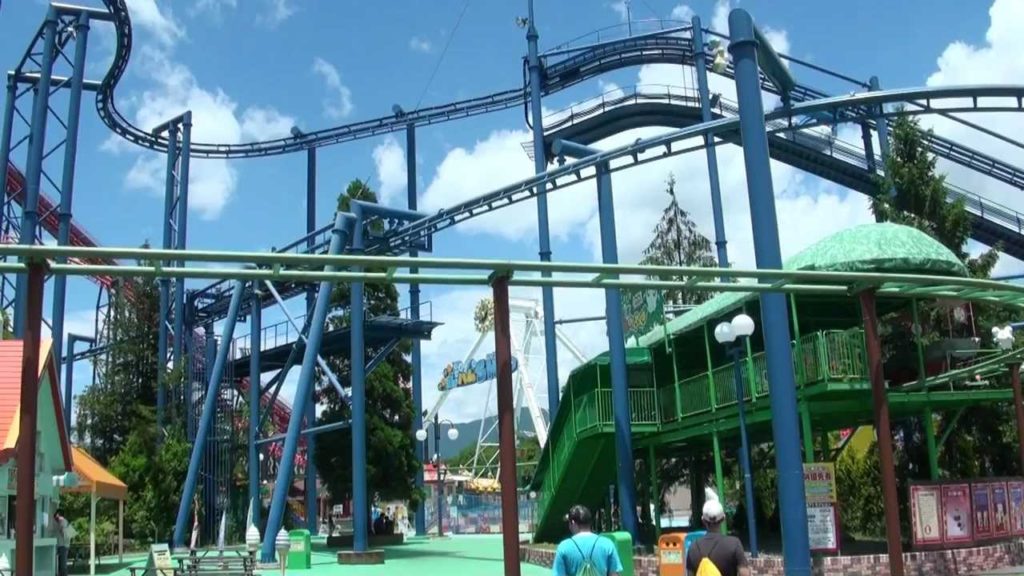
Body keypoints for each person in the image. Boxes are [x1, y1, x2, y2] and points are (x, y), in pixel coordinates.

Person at [552, 505, 623, 576]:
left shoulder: (564, 547)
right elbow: (614, 574)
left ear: (573, 522)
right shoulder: (607, 544)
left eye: (569, 522)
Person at [685, 499, 749, 576]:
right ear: (723, 519)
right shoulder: (734, 544)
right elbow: (744, 573)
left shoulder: (693, 547)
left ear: (703, 520)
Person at [53, 509, 70, 576]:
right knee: (61, 564)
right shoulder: (63, 521)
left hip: (63, 545)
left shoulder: (63, 521)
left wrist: (61, 528)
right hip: (62, 545)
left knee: (62, 565)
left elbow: (64, 533)